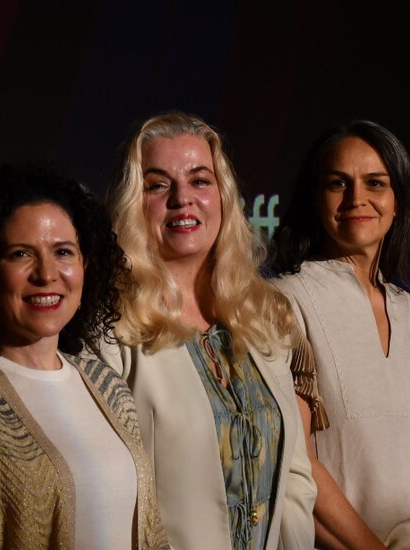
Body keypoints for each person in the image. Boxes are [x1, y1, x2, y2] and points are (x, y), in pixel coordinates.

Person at [0, 164, 168, 549]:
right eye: (20, 255)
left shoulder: (106, 384)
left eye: (63, 251)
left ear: (85, 266)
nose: (47, 273)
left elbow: (152, 534)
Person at [102, 111, 315, 549]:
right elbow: (108, 495)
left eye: (200, 180)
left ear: (223, 196)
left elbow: (295, 475)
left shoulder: (264, 316)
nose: (184, 198)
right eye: (159, 184)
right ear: (134, 203)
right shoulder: (111, 329)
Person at [269, 120, 410, 549]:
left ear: (398, 202)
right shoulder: (284, 302)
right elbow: (293, 460)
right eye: (338, 183)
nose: (358, 199)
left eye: (375, 183)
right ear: (316, 200)